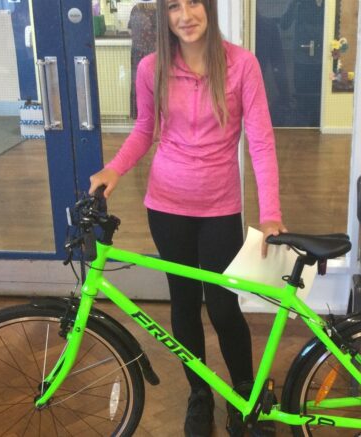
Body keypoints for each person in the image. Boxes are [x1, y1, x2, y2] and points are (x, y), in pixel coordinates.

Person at [89, 0, 285, 435]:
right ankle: (199, 394)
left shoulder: (241, 65)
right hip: (166, 204)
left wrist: (270, 212)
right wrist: (114, 168)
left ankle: (243, 394)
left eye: (193, 2)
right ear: (165, 15)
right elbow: (144, 130)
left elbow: (261, 143)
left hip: (220, 208)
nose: (185, 14)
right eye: (174, 6)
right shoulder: (151, 69)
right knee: (182, 303)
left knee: (222, 304)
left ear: (209, 8)